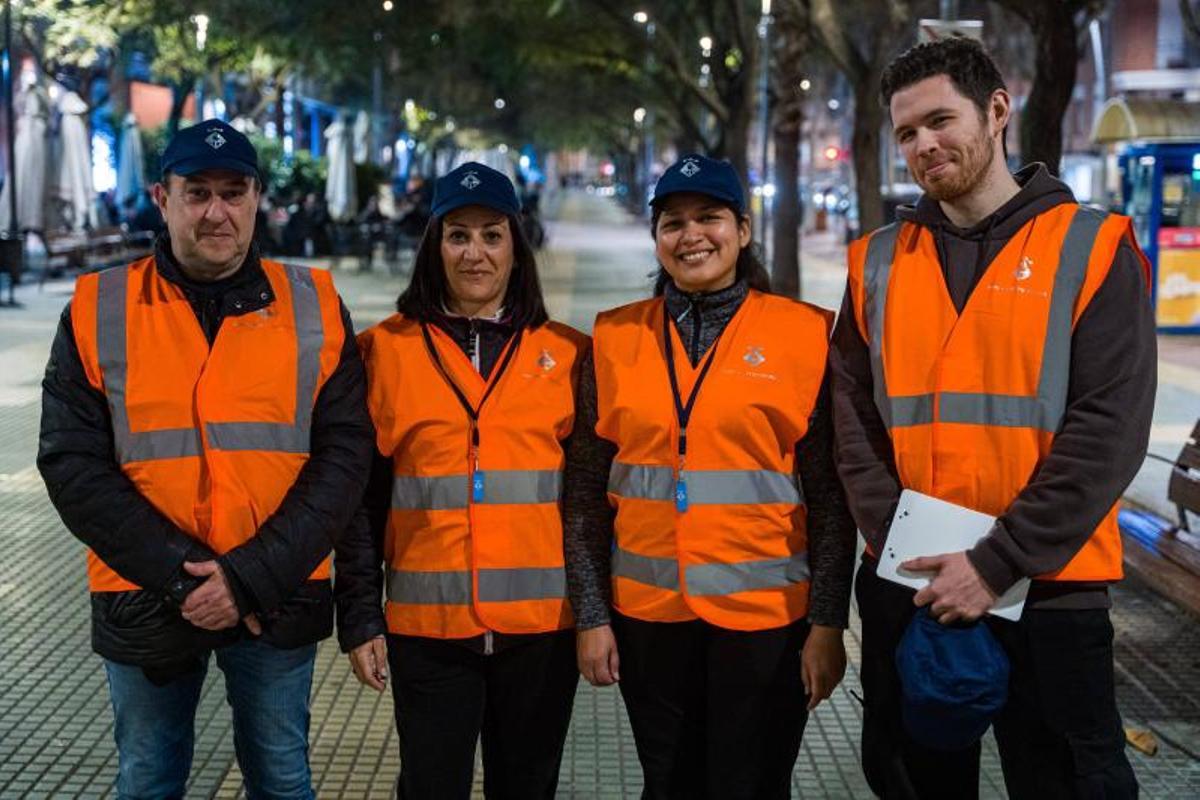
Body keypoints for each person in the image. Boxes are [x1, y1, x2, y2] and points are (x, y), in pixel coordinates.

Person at [831, 37, 1154, 799]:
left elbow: (1109, 429)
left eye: (941, 120)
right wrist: (899, 542)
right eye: (907, 132)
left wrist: (995, 563)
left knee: (1072, 781)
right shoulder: (875, 262)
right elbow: (851, 417)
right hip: (911, 584)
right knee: (910, 780)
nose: (923, 145)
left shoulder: (1091, 247)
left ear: (998, 110)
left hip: (1050, 587)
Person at [37, 119, 374, 799]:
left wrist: (247, 578)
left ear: (257, 200)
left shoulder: (315, 304)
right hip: (145, 592)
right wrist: (184, 579)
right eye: (198, 193)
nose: (216, 211)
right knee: (149, 779)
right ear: (162, 199)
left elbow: (344, 459)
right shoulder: (97, 308)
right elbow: (71, 465)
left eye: (233, 191)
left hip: (276, 592)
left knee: (281, 779)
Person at [564, 153, 857, 799]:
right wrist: (592, 617)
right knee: (667, 785)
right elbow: (585, 492)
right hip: (649, 619)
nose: (691, 235)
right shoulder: (613, 338)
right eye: (673, 222)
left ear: (743, 231)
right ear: (656, 237)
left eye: (709, 218)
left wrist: (828, 624)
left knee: (751, 786)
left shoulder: (804, 335)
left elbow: (833, 500)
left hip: (768, 622)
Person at [335, 161, 588, 799]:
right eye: (458, 235)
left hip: (541, 632)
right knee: (429, 788)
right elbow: (360, 503)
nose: (475, 253)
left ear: (516, 246)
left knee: (528, 788)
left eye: (492, 235)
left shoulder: (568, 353)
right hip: (428, 631)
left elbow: (588, 504)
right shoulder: (382, 352)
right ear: (434, 247)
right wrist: (360, 616)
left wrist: (595, 617)